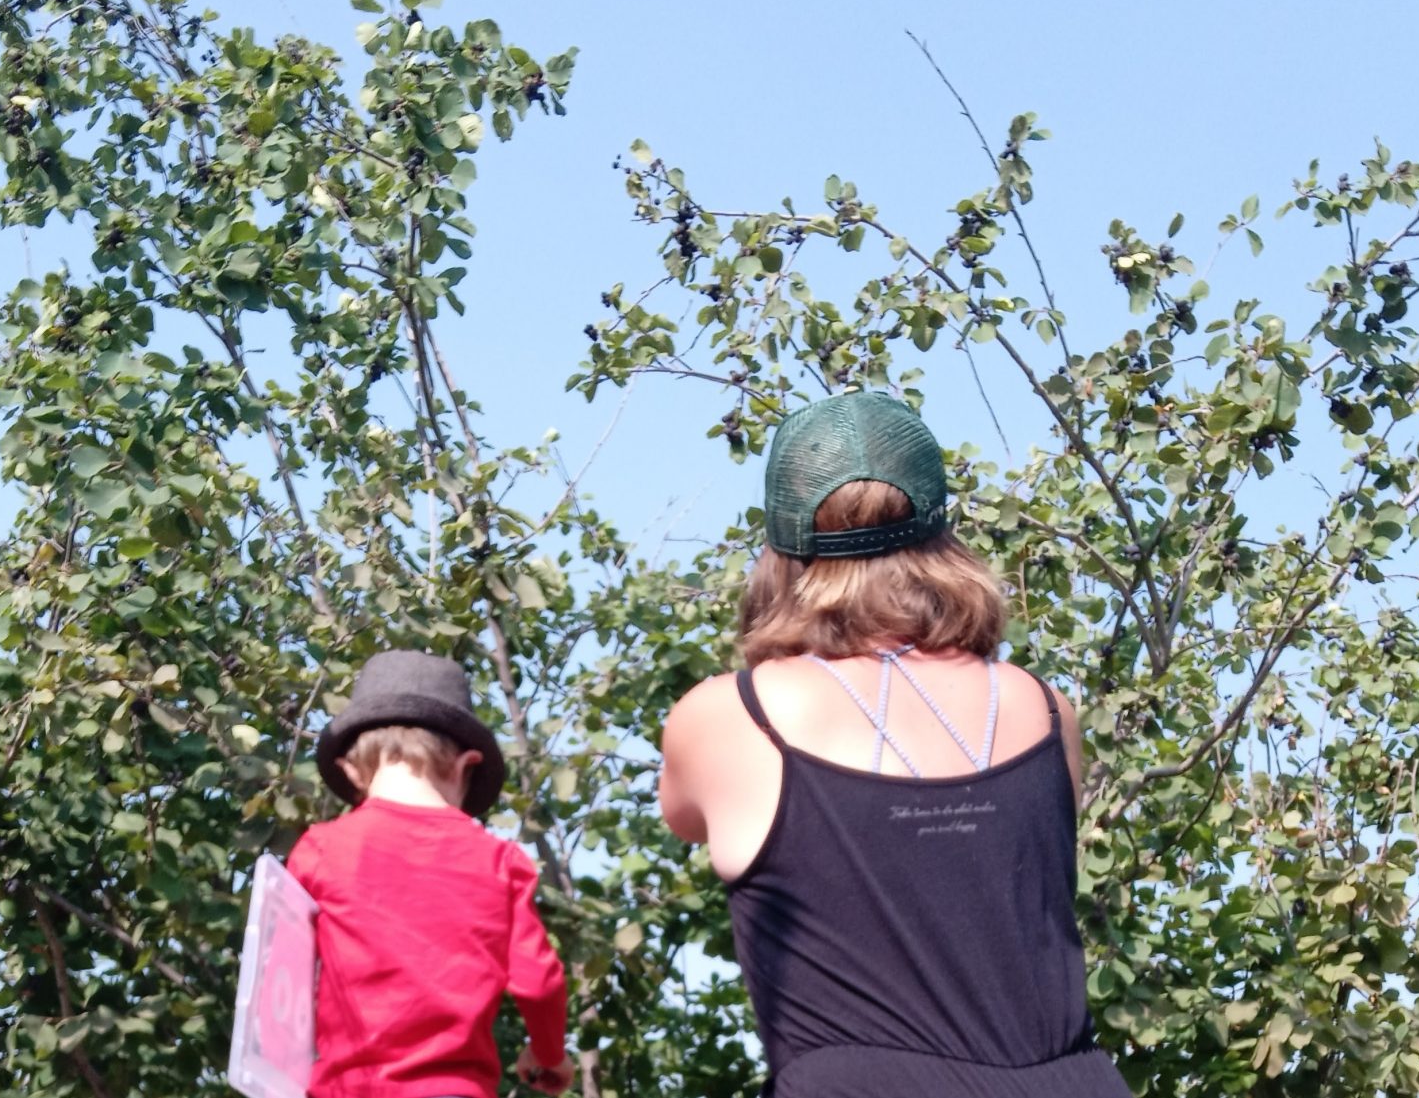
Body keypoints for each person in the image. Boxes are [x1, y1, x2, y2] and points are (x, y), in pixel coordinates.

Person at [659, 392, 1131, 1097]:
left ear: (780, 552)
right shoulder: (1043, 708)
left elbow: (685, 816)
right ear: (944, 535)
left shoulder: (729, 716)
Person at [291, 650, 574, 1098]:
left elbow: (284, 977)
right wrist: (549, 1053)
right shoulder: (499, 861)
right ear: (467, 767)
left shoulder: (320, 849)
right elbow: (539, 983)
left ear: (351, 770)